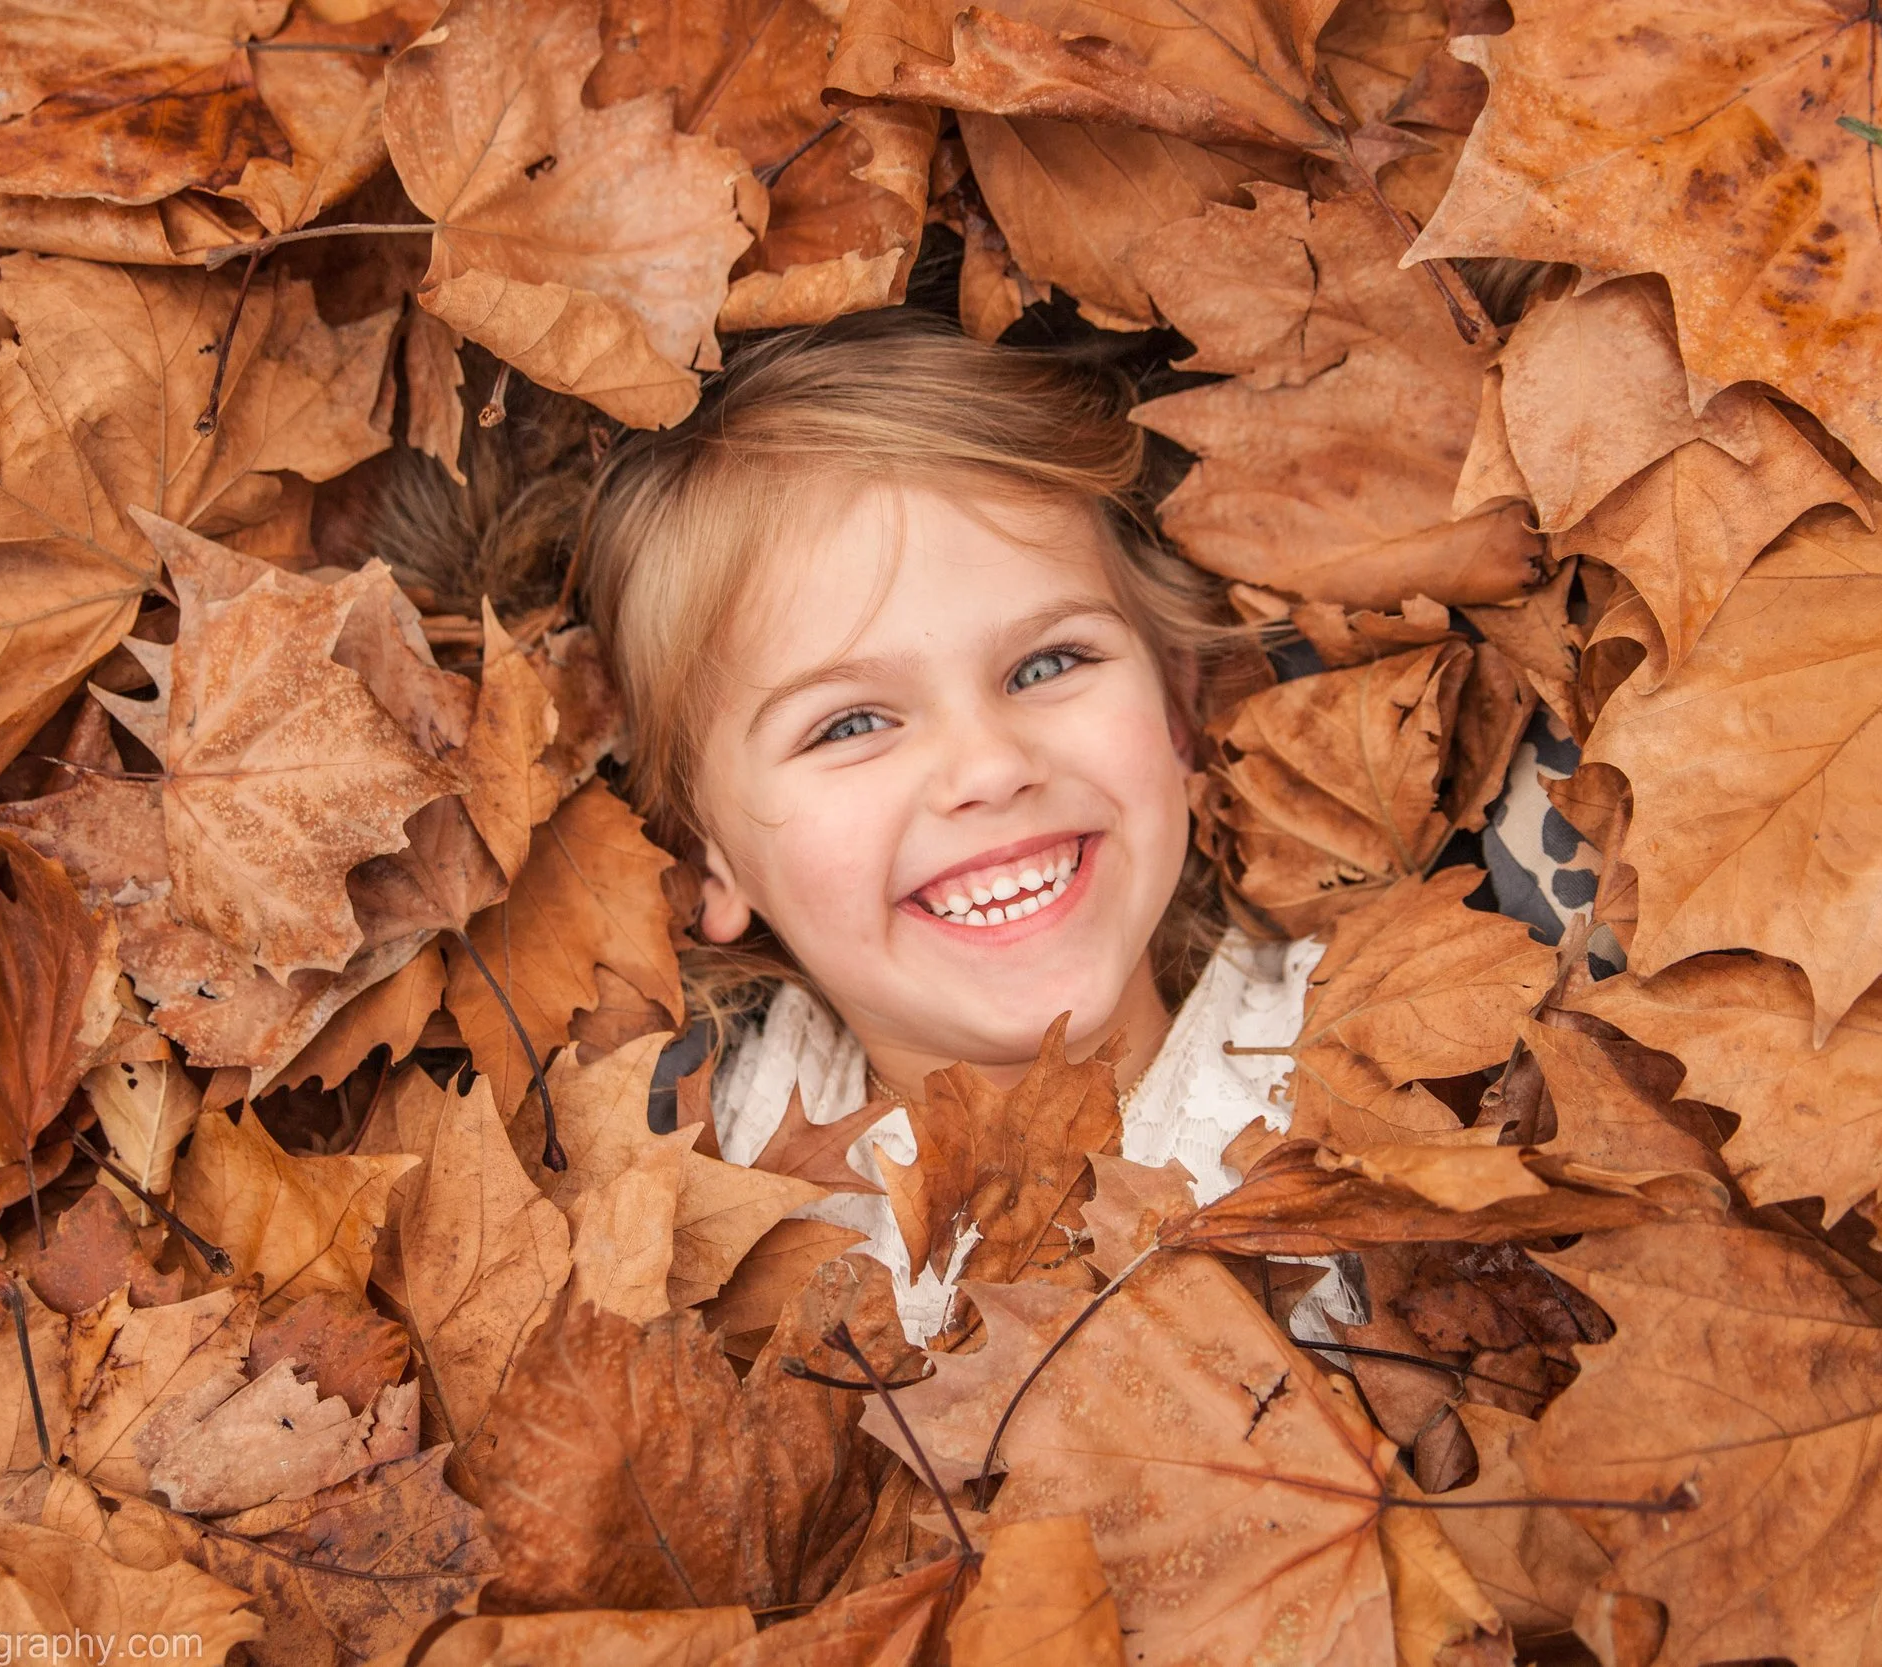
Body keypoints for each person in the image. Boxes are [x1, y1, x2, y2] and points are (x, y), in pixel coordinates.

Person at [574, 311, 1548, 1341]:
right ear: (704, 856)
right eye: (850, 722)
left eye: (1047, 664)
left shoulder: (1397, 1058)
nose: (990, 765)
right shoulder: (677, 1201)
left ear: (1174, 706)